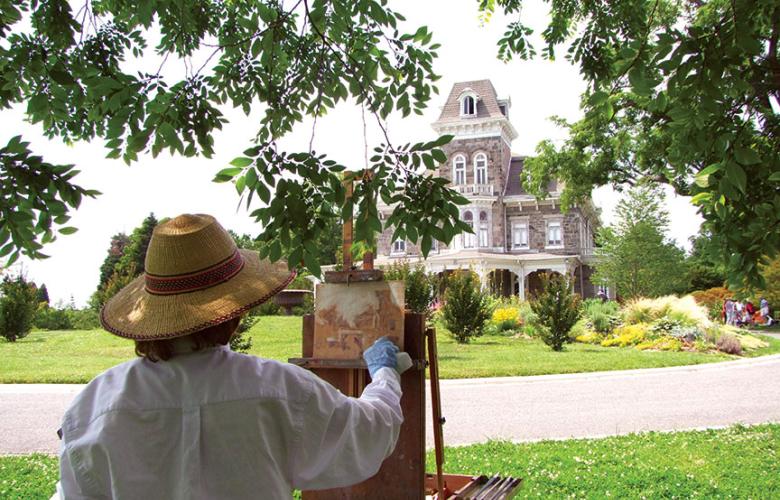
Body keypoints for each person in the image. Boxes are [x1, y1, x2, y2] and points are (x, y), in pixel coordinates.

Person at [55, 214, 410, 499]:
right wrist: (385, 375)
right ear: (236, 313)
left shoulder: (94, 406)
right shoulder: (279, 390)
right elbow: (370, 433)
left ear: (152, 314)